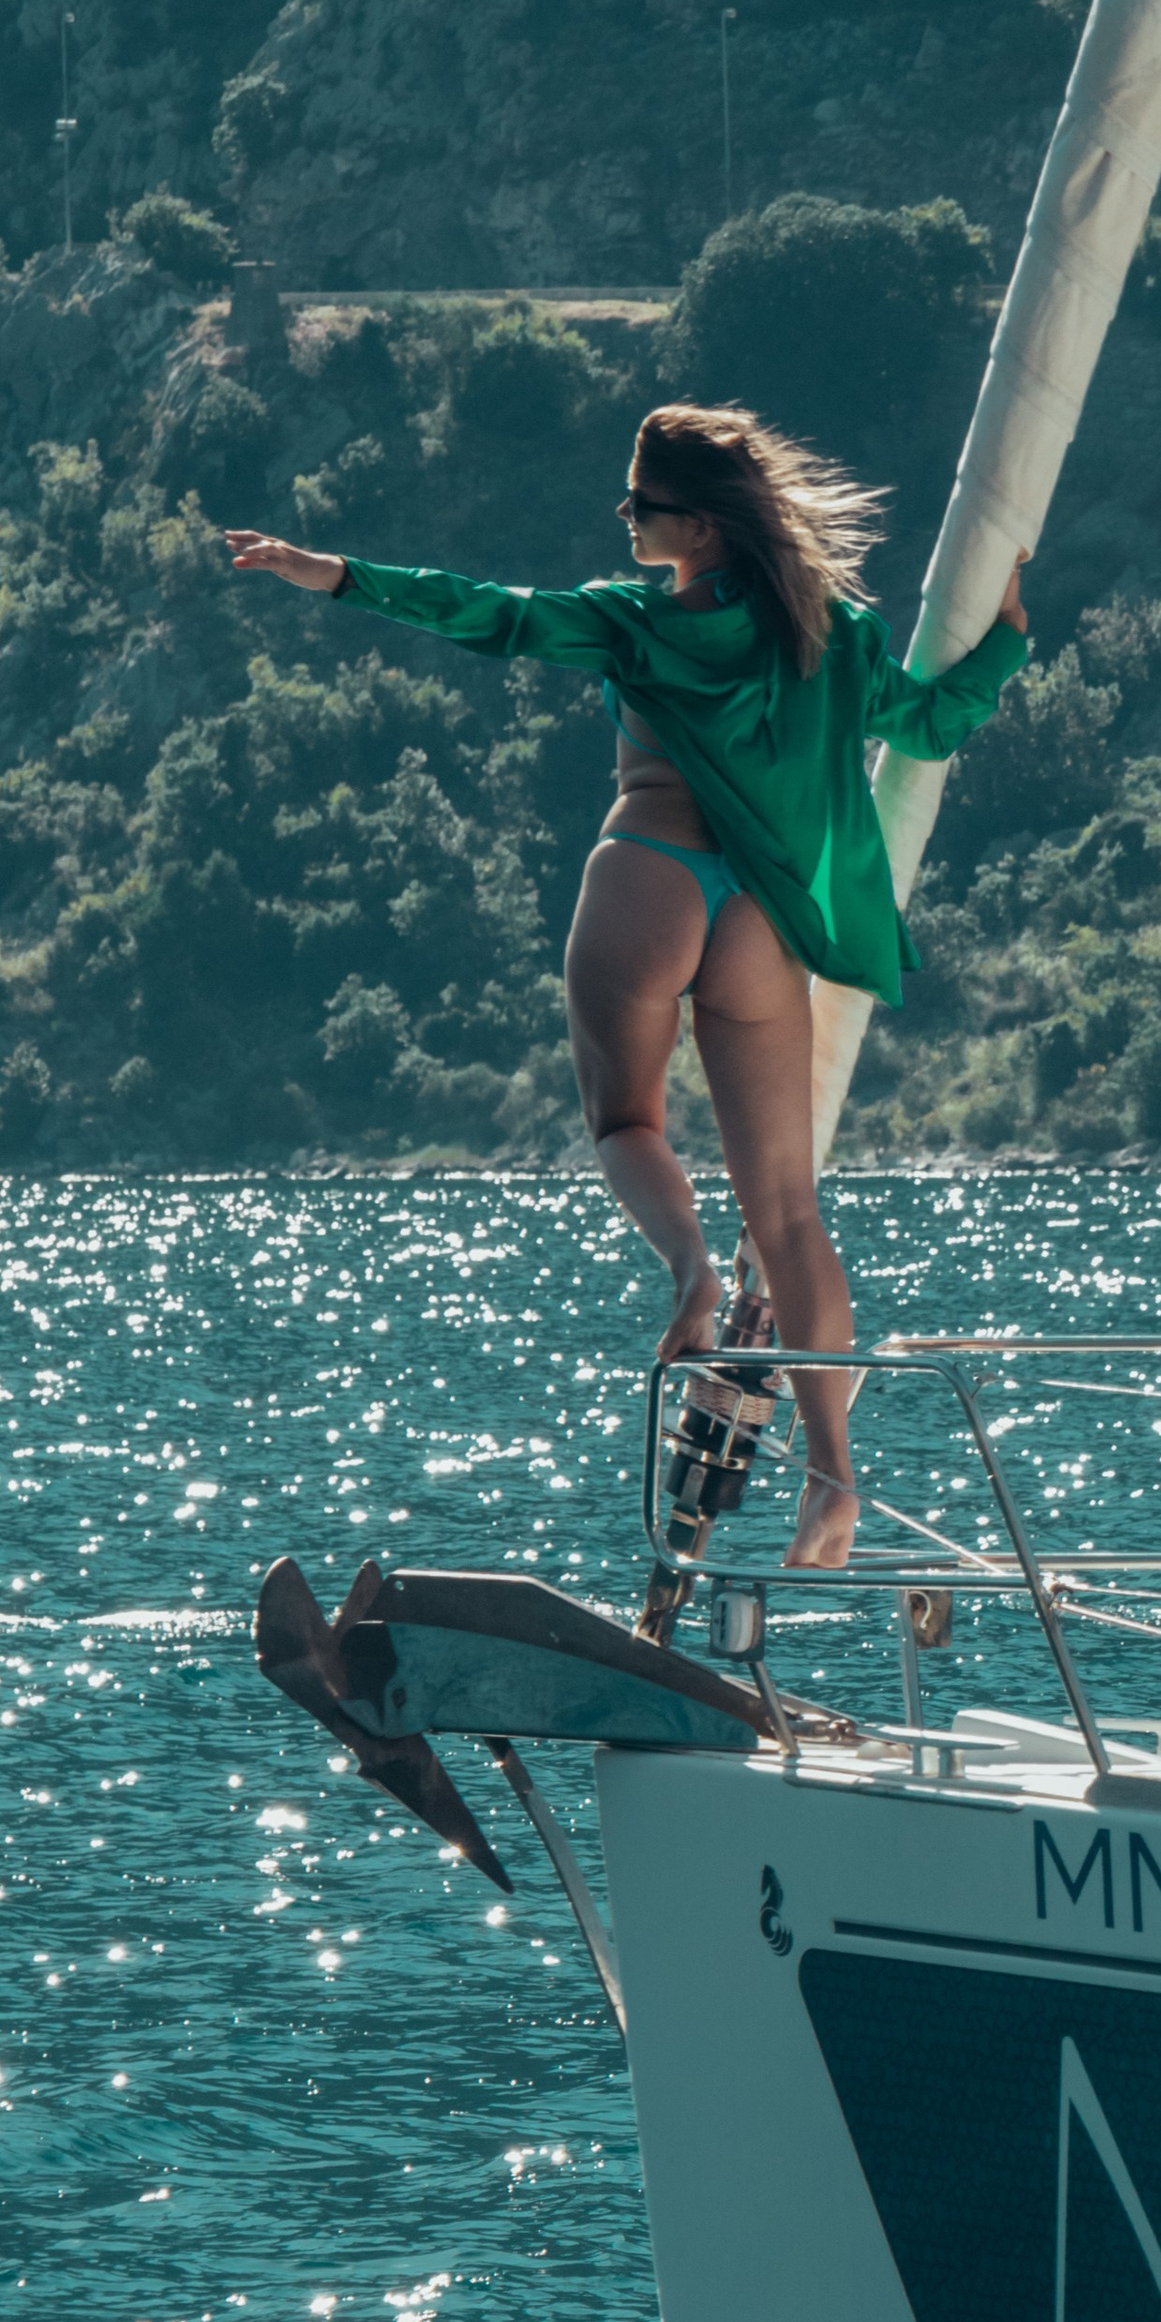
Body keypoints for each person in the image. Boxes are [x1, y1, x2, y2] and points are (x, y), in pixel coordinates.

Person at [226, 405, 1028, 1567]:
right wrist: (1003, 638)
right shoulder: (835, 632)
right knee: (793, 1217)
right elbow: (934, 721)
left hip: (648, 873)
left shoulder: (631, 623)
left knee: (626, 1121)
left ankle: (691, 1270)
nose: (624, 522)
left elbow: (486, 612)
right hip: (759, 916)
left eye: (637, 507)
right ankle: (834, 1480)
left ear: (694, 526)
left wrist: (333, 574)